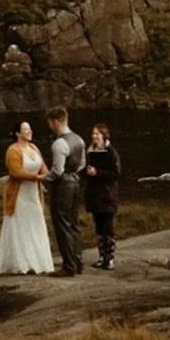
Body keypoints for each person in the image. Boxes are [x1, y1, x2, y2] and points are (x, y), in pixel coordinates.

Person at [0, 120, 54, 275]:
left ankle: (38, 261)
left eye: (30, 129)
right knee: (20, 225)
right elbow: (16, 172)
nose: (29, 131)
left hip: (33, 194)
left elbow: (43, 168)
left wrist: (49, 176)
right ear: (18, 133)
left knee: (36, 223)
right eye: (25, 129)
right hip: (19, 194)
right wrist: (36, 177)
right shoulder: (13, 150)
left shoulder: (34, 148)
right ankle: (21, 262)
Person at [43, 105, 86, 277]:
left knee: (62, 223)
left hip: (63, 185)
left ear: (56, 121)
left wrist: (42, 178)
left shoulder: (59, 143)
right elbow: (82, 164)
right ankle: (78, 261)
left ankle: (68, 266)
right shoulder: (79, 140)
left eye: (50, 123)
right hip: (75, 181)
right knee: (74, 222)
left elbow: (57, 172)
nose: (50, 126)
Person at [84, 123, 121, 270]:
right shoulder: (90, 151)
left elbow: (116, 173)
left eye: (97, 134)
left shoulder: (111, 152)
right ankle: (101, 256)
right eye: (93, 134)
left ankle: (109, 258)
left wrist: (97, 173)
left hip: (107, 194)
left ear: (104, 136)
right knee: (98, 226)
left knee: (108, 226)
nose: (94, 136)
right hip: (95, 193)